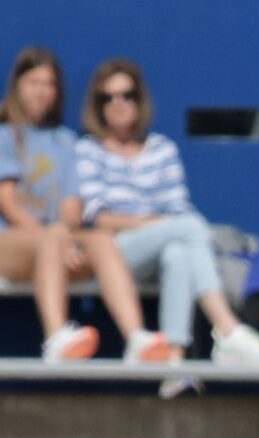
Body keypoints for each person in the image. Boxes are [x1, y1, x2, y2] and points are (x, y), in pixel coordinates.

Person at [74, 59, 259, 380]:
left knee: (179, 252)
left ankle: (174, 364)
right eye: (108, 97)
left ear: (139, 99)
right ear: (97, 105)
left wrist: (159, 225)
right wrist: (155, 223)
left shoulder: (162, 149)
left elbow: (177, 207)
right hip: (114, 255)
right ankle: (228, 330)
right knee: (190, 228)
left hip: (161, 251)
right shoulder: (87, 150)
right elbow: (99, 218)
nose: (118, 104)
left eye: (126, 95)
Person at [0, 46, 156, 363]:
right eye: (34, 82)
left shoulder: (66, 141)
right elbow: (8, 203)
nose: (42, 92)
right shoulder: (4, 135)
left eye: (50, 84)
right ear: (17, 85)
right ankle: (57, 338)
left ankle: (137, 339)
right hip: (10, 245)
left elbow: (72, 208)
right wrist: (55, 239)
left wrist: (63, 237)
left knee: (99, 239)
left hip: (55, 245)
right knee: (53, 236)